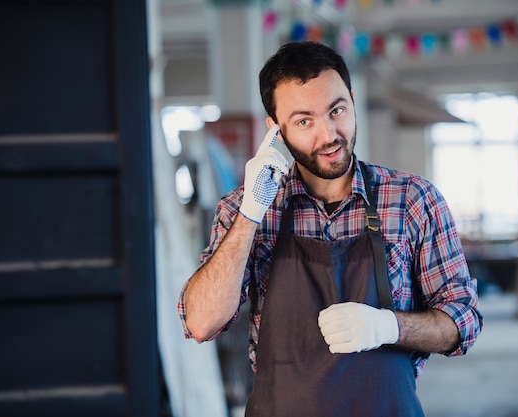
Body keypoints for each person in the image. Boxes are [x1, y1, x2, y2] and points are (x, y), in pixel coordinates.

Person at [178, 41, 483, 417]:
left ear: (352, 101)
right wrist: (250, 214)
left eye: (337, 110)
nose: (328, 135)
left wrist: (389, 327)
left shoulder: (412, 201)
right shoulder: (246, 210)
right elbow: (201, 323)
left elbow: (464, 320)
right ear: (276, 129)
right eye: (304, 121)